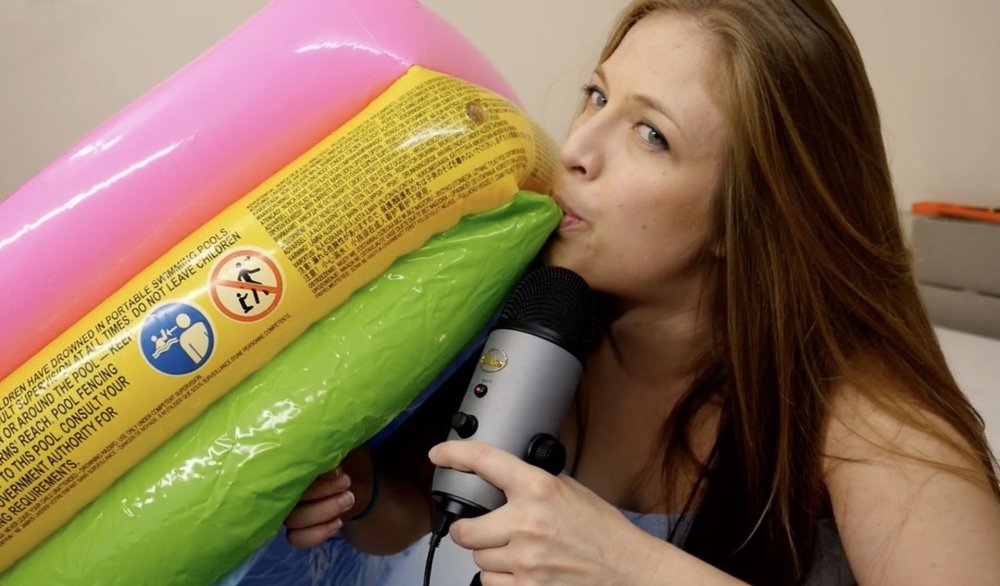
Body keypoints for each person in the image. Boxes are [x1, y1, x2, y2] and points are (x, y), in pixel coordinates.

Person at [283, 0, 1000, 583]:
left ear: (747, 216)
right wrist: (361, 493)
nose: (576, 149)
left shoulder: (865, 419)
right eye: (597, 95)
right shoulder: (535, 301)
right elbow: (422, 510)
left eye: (650, 134)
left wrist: (627, 565)